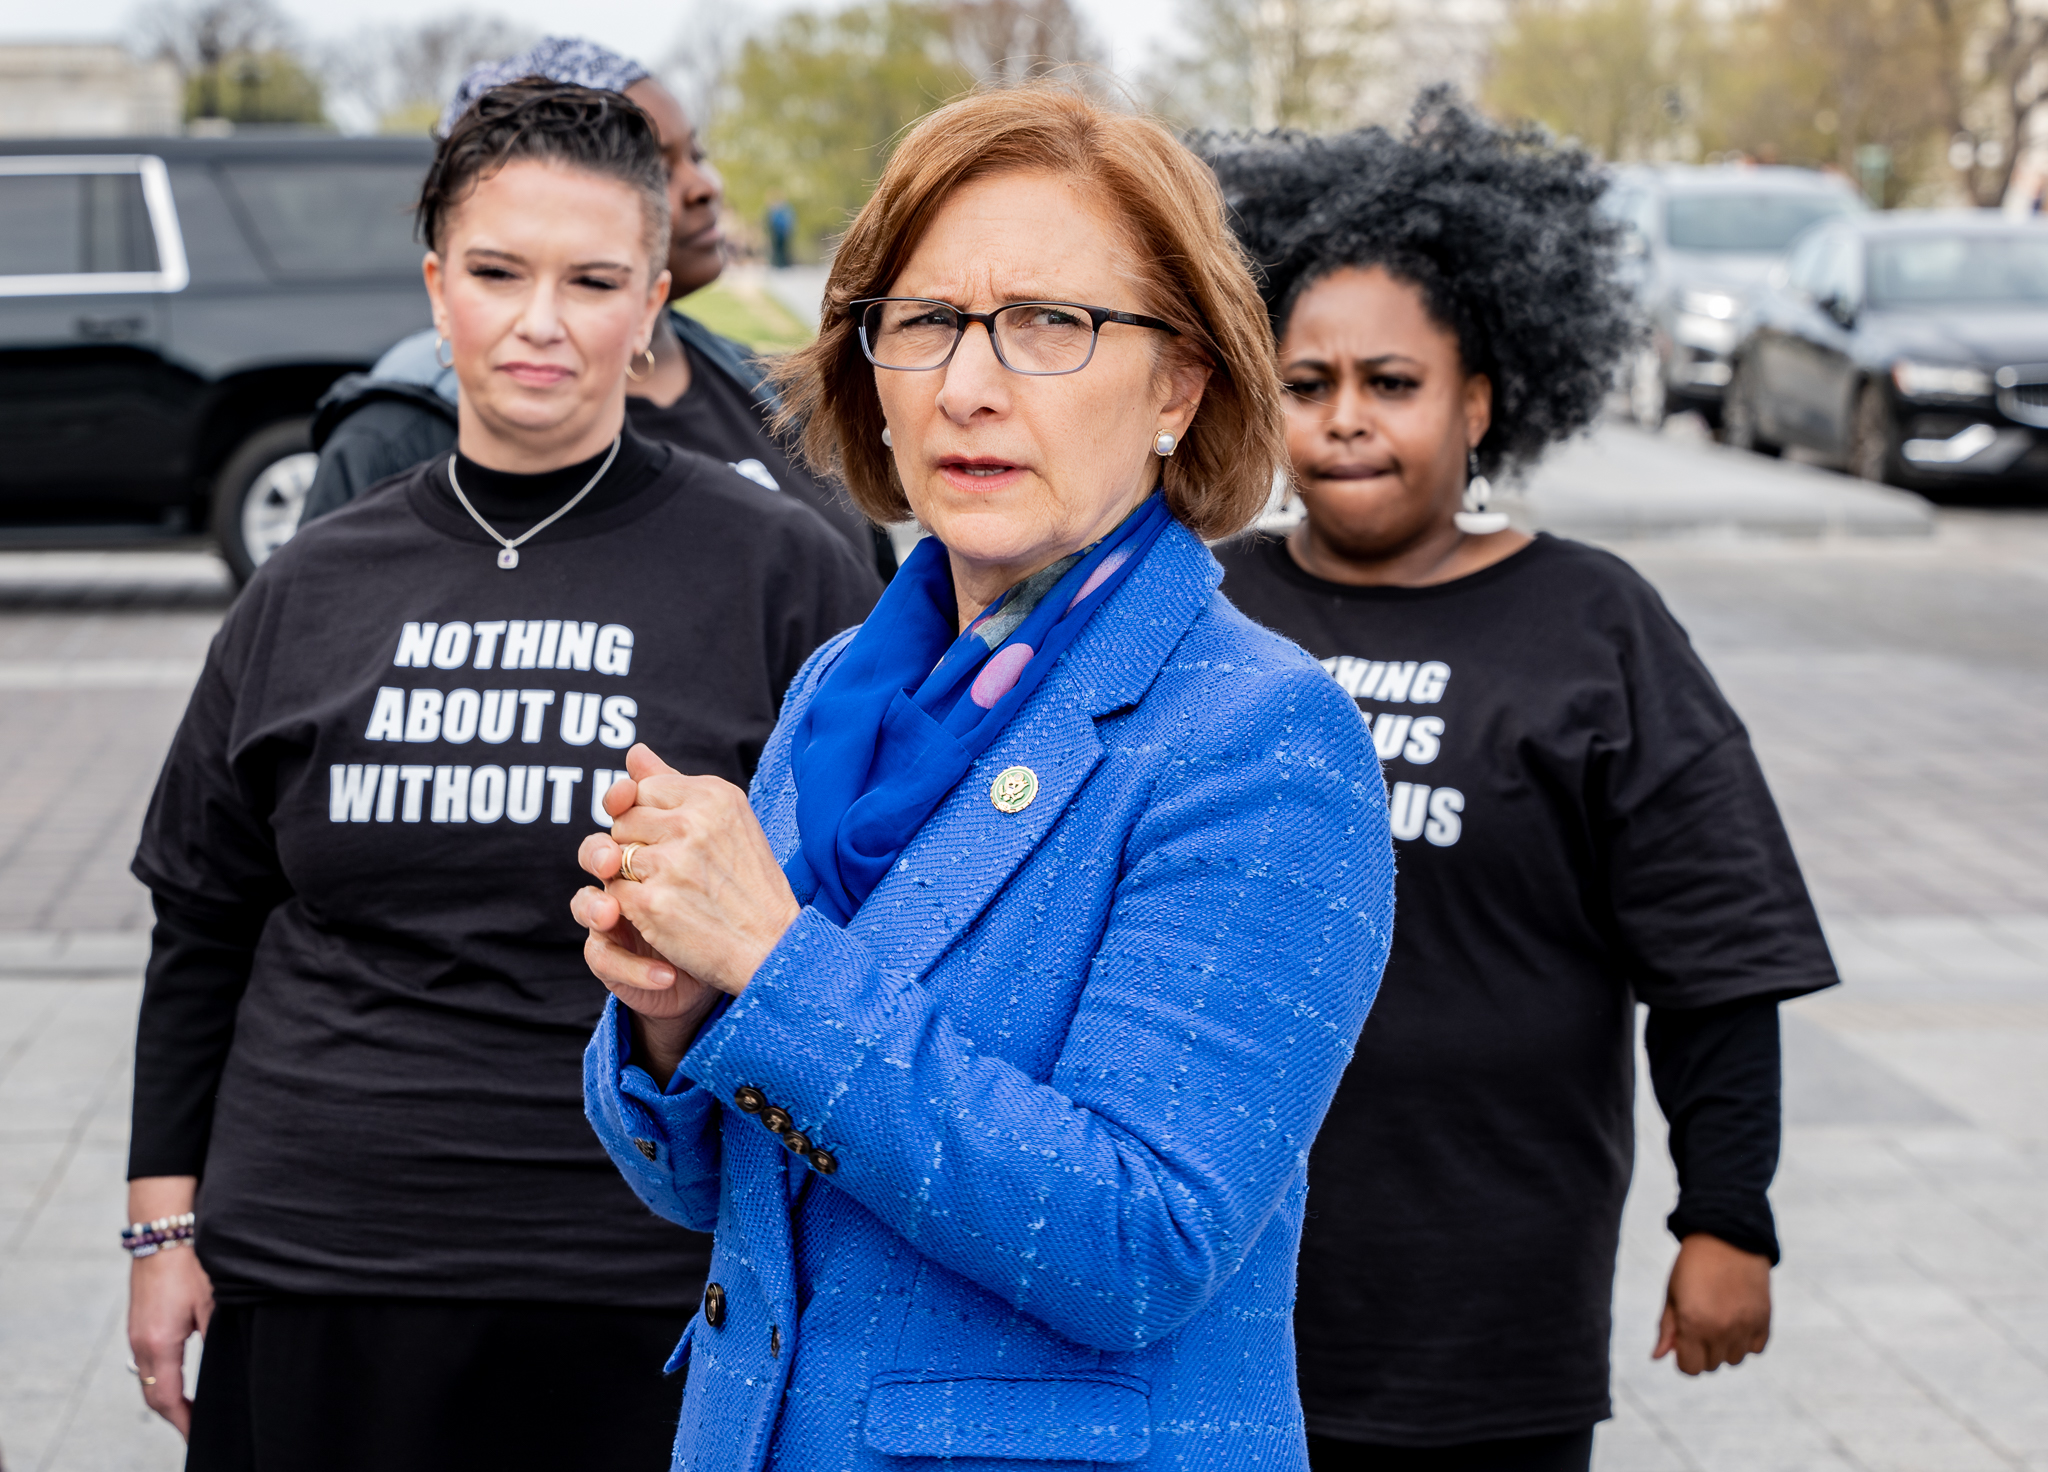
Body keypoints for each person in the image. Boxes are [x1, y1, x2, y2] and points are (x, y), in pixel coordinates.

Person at [569, 84, 1397, 1471]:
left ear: (1179, 384)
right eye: (928, 322)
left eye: (1048, 325)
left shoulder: (1260, 738)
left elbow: (1143, 1242)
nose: (968, 384)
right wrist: (669, 1016)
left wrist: (769, 970)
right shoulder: (848, 688)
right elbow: (724, 1187)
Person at [123, 80, 880, 1472]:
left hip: (646, 1268)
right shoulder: (311, 583)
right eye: (497, 273)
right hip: (323, 1264)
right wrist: (164, 1228)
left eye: (592, 279)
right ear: (435, 288)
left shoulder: (781, 571)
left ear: (653, 300)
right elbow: (203, 919)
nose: (542, 321)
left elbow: (858, 924)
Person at [1196, 92, 1842, 1471]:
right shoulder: (1200, 609)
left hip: (1485, 1307)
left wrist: (1729, 1218)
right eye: (1307, 386)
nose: (1347, 421)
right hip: (1208, 1285)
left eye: (1394, 382)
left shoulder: (1594, 625)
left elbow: (1716, 952)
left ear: (1482, 399)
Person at [300, 38, 894, 581]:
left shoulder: (764, 388)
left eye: (697, 153)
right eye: (657, 165)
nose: (703, 187)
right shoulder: (404, 432)